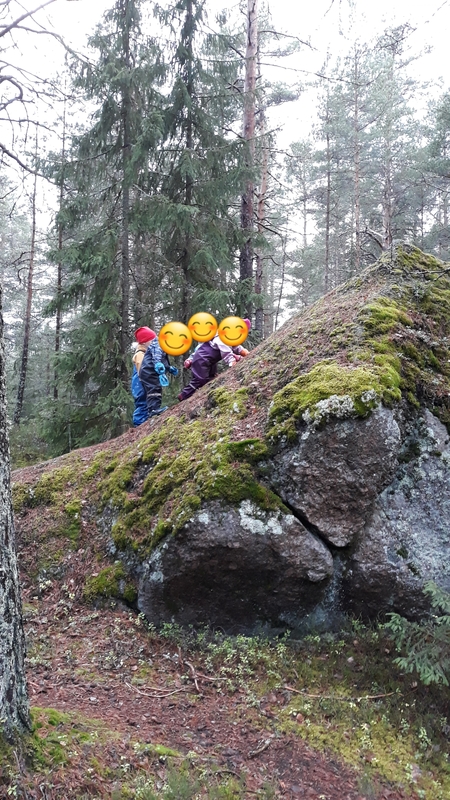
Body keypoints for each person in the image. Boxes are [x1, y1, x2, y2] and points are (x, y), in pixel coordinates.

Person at [178, 318, 251, 402]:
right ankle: (184, 395)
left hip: (210, 362)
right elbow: (225, 351)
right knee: (200, 379)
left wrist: (244, 352)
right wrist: (231, 361)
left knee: (211, 378)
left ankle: (199, 395)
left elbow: (236, 347)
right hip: (201, 359)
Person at [139, 330, 178, 418]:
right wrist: (158, 365)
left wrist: (169, 368)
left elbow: (162, 360)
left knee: (156, 388)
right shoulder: (158, 344)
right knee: (154, 388)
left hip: (150, 371)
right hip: (148, 371)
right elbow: (156, 356)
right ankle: (153, 409)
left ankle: (154, 408)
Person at [131, 327, 156, 426]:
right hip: (140, 384)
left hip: (144, 382)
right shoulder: (140, 354)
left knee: (149, 401)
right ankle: (139, 424)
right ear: (145, 342)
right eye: (152, 340)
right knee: (142, 403)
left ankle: (147, 420)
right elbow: (143, 370)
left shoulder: (147, 354)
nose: (154, 343)